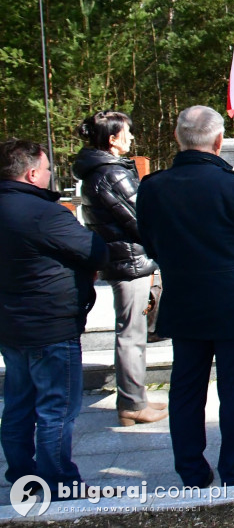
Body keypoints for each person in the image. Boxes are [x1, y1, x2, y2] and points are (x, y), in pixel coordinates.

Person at [136, 106, 234, 487]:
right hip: (233, 300)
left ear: (178, 139)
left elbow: (149, 241)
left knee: (185, 389)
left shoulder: (153, 187)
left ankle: (193, 472)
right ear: (219, 141)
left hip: (185, 298)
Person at [0, 139, 108, 493]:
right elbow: (95, 252)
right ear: (32, 173)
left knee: (17, 404)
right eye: (47, 170)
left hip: (11, 326)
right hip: (50, 327)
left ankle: (22, 475)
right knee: (56, 410)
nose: (49, 176)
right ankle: (59, 481)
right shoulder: (43, 213)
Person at [72, 111, 166, 427]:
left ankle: (134, 396)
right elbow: (142, 219)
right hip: (129, 263)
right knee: (132, 333)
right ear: (112, 139)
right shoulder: (111, 174)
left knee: (133, 331)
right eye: (126, 132)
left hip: (125, 260)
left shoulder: (100, 171)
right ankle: (132, 403)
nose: (131, 138)